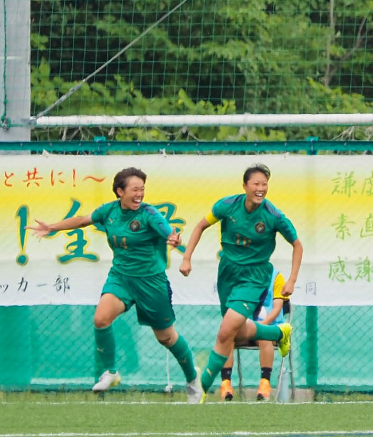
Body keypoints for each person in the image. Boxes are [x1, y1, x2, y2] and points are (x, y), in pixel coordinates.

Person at [28, 167, 202, 403]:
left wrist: (173, 237)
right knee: (100, 319)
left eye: (142, 189)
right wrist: (51, 227)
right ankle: (110, 372)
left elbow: (167, 230)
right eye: (134, 189)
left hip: (151, 283)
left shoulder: (149, 214)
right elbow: (82, 220)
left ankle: (192, 379)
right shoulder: (109, 211)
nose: (139, 194)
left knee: (166, 338)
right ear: (120, 191)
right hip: (121, 277)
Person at [180, 165, 301, 401]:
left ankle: (201, 388)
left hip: (254, 276)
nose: (261, 188)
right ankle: (278, 332)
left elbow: (297, 244)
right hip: (227, 271)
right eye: (256, 184)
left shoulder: (273, 216)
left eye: (264, 184)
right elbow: (200, 226)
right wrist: (186, 258)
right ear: (245, 186)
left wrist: (292, 280)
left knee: (225, 331)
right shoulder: (227, 206)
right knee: (233, 332)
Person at [218, 271, 286, 401]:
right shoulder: (241, 275)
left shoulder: (276, 277)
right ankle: (226, 384)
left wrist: (261, 325)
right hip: (245, 328)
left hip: (269, 327)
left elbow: (277, 308)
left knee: (264, 336)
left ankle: (265, 383)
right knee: (227, 337)